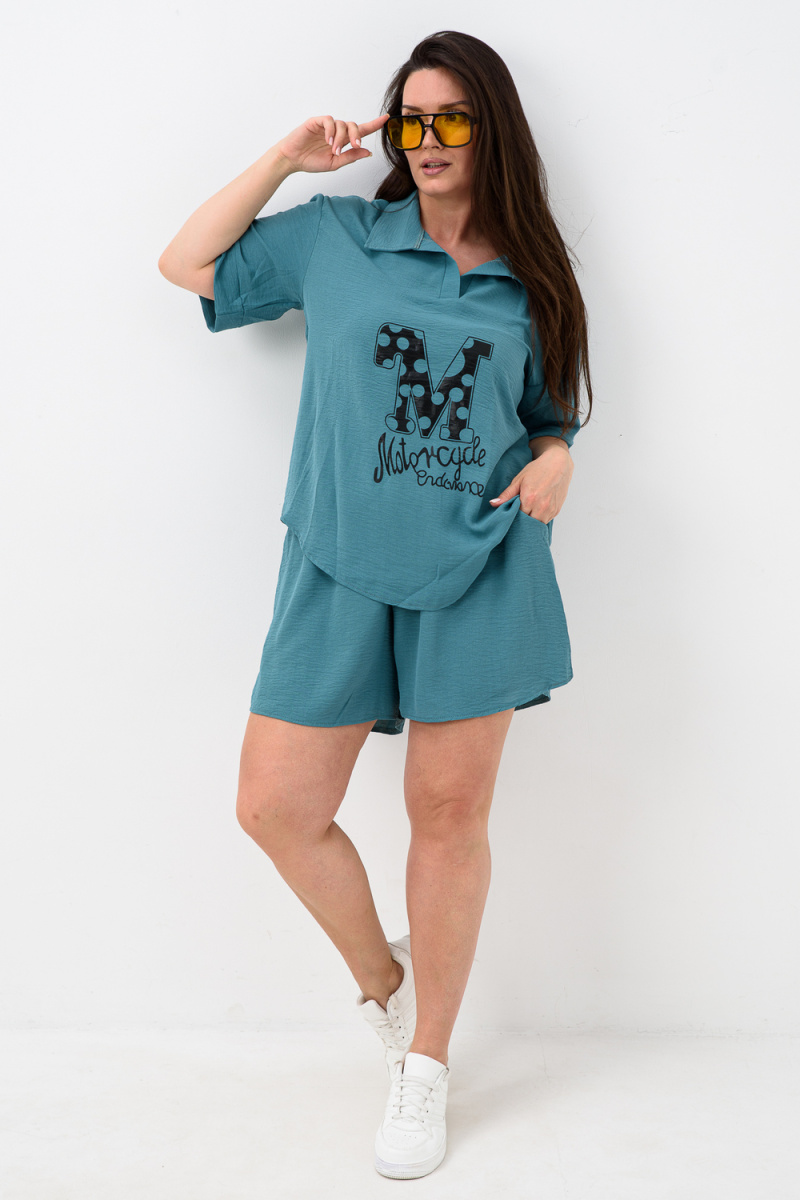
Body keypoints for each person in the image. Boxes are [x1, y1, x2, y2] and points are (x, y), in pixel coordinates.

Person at [158, 28, 592, 1181]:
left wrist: (558, 458)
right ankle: (388, 988)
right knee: (274, 806)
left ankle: (427, 1066)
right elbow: (186, 264)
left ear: (490, 129)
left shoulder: (533, 277)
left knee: (446, 817)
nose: (427, 138)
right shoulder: (338, 238)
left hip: (481, 569)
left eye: (451, 118)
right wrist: (284, 159)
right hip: (337, 560)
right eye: (411, 118)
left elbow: (550, 417)